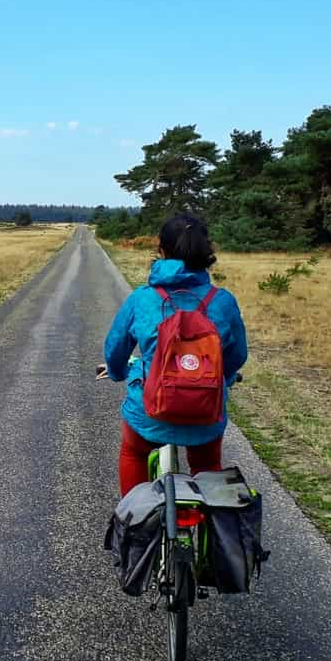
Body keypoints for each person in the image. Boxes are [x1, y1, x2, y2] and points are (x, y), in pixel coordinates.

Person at [102, 212, 248, 495]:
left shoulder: (141, 298)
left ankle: (134, 522)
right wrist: (224, 377)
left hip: (148, 414)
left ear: (162, 251)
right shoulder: (223, 301)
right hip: (205, 414)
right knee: (206, 461)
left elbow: (116, 348)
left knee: (134, 453)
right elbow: (237, 354)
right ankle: (213, 526)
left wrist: (118, 372)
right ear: (206, 253)